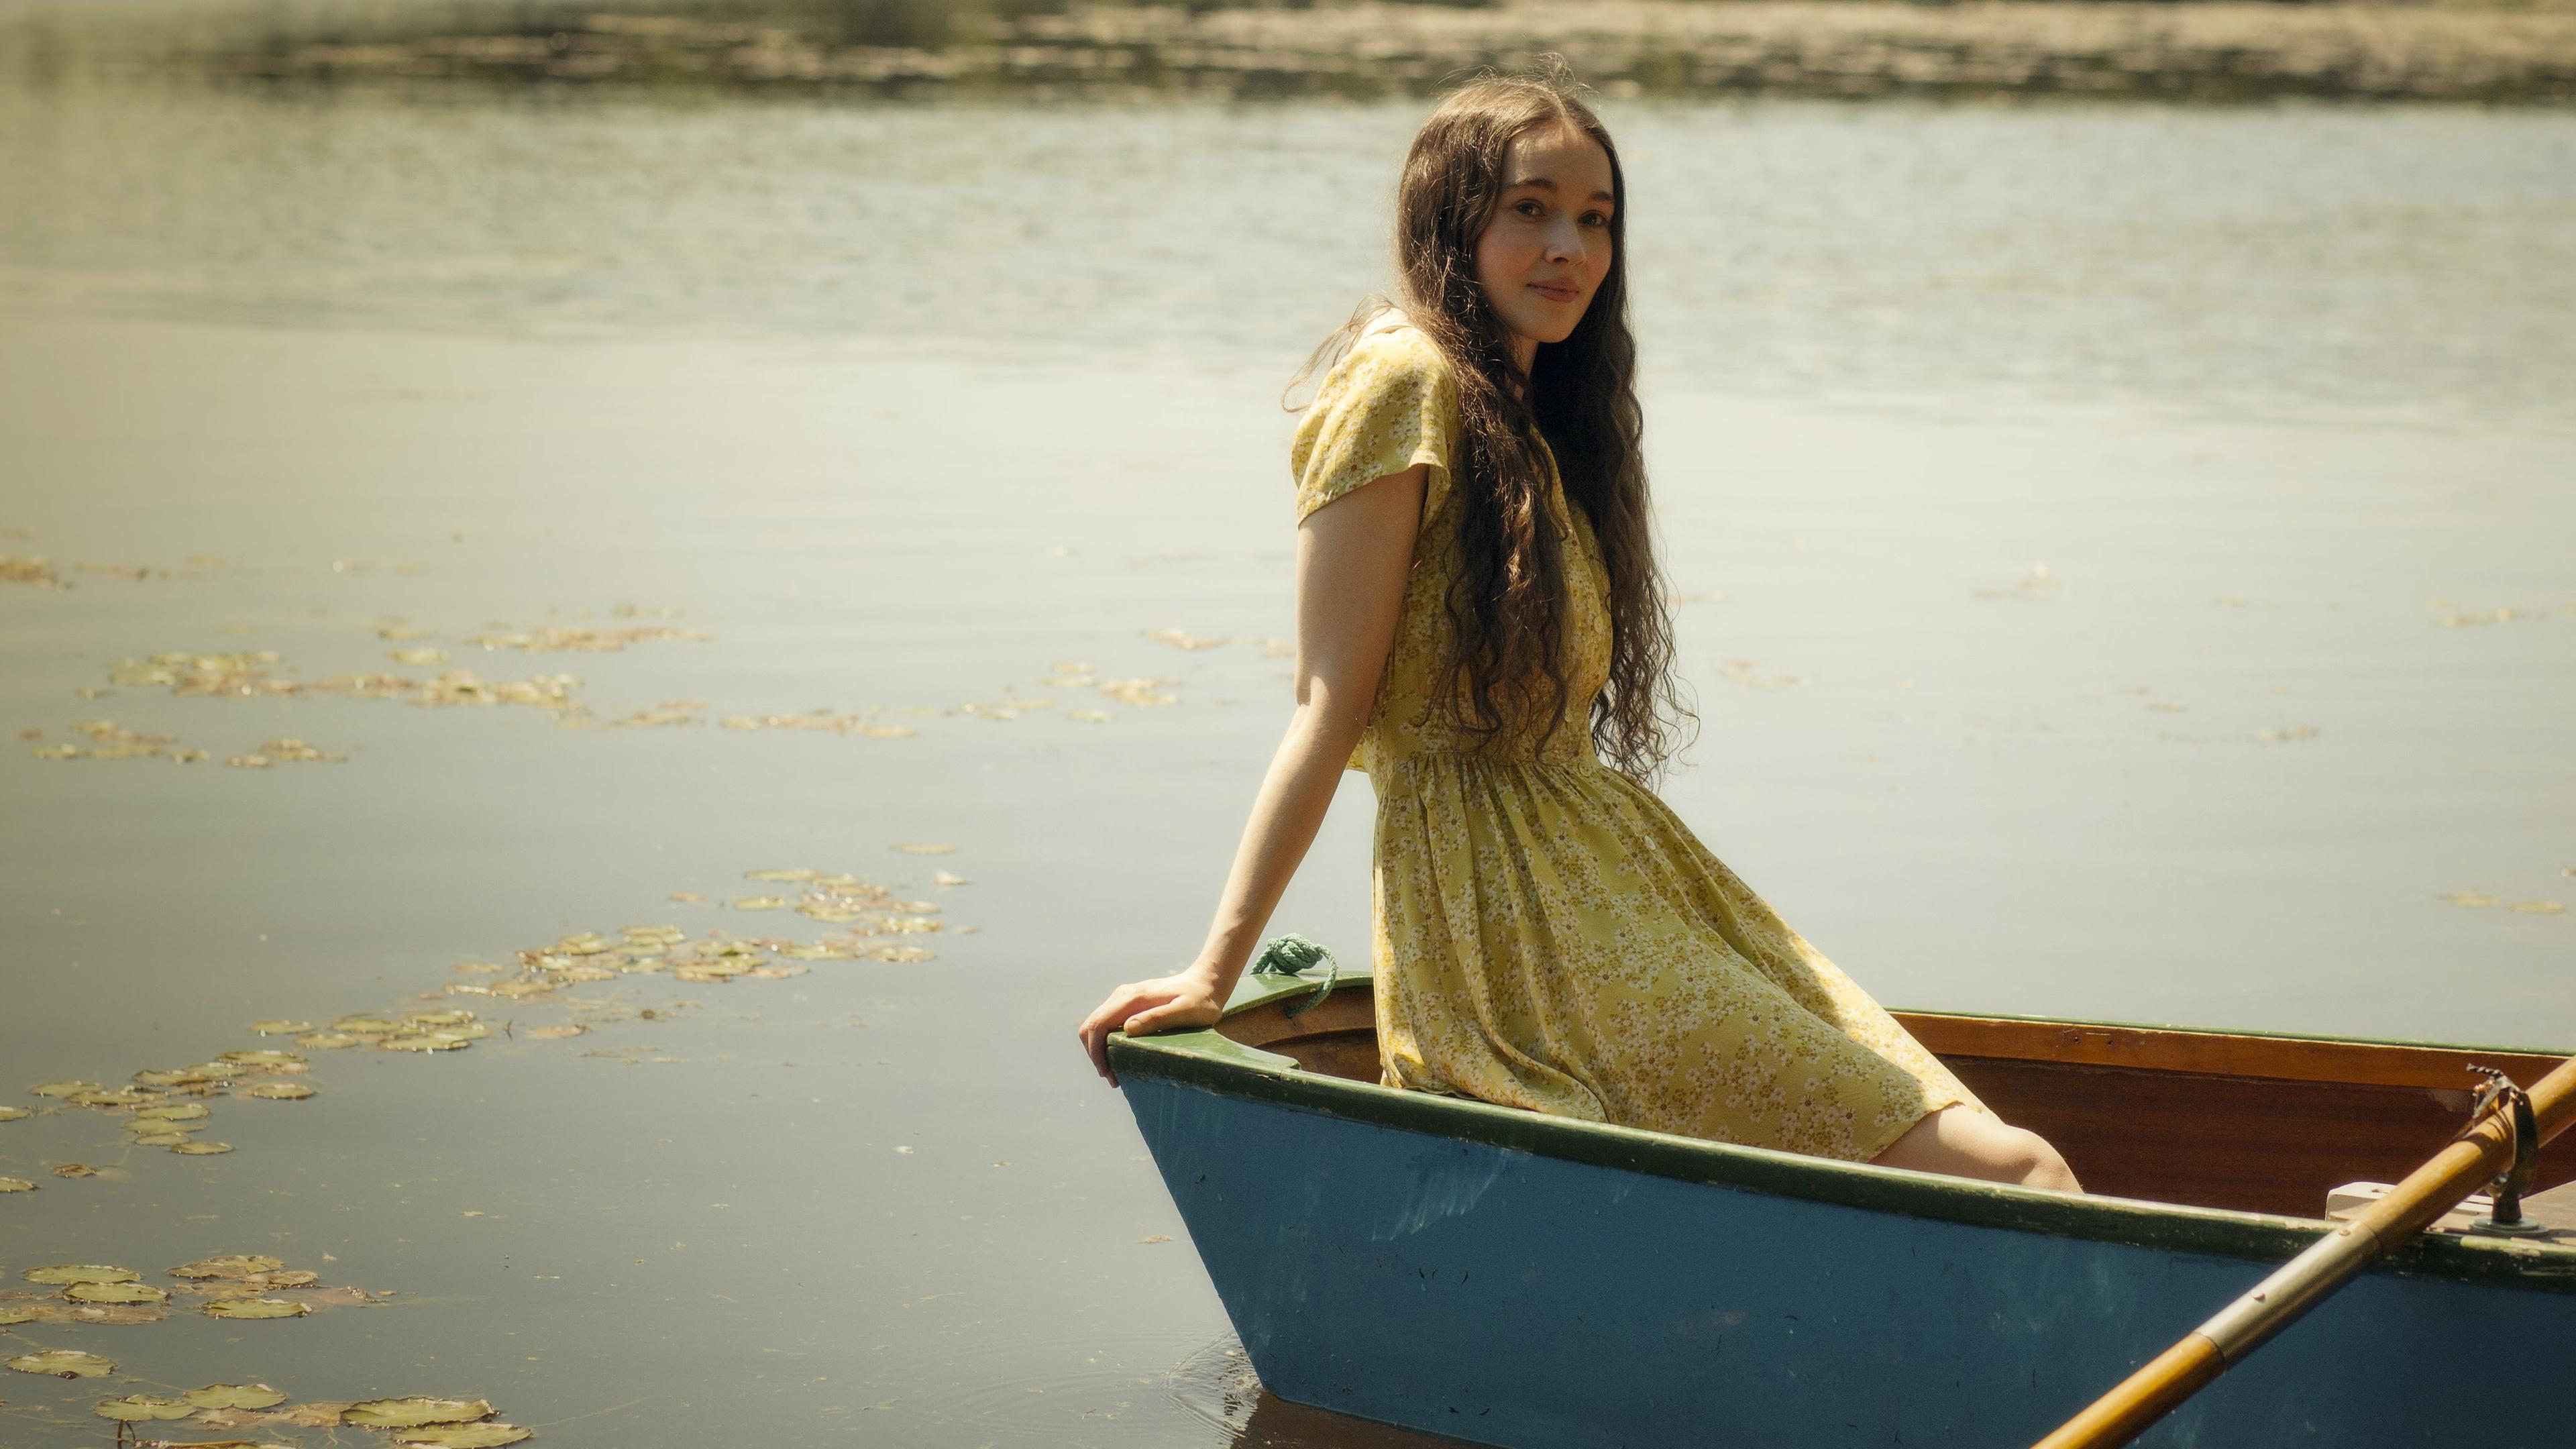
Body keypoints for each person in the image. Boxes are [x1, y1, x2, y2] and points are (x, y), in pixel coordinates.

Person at [1076, 69, 2080, 1194]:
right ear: (1451, 221)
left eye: (1595, 220)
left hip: (1614, 880)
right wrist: (1217, 971)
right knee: (2013, 1169)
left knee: (2001, 1159)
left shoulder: (1537, 425)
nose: (1570, 248)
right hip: (1513, 932)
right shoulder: (1404, 379)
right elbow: (1328, 703)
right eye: (1531, 208)